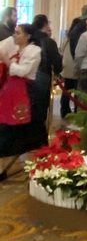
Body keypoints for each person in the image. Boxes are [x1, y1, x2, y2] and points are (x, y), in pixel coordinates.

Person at [0, 23, 44, 181]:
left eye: (18, 33)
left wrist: (8, 62)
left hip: (24, 92)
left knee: (22, 127)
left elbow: (23, 71)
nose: (15, 35)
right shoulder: (15, 49)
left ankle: (25, 159)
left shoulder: (34, 51)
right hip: (10, 91)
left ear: (28, 36)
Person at [31, 14, 63, 131]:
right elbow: (57, 61)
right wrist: (58, 72)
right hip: (43, 75)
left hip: (27, 75)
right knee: (41, 109)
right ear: (45, 25)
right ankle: (38, 137)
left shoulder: (30, 39)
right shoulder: (48, 41)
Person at [59, 17, 81, 119]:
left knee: (66, 90)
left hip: (67, 66)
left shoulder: (67, 36)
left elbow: (62, 49)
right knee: (77, 92)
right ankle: (77, 111)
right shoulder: (79, 36)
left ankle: (64, 110)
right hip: (76, 67)